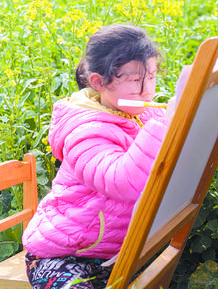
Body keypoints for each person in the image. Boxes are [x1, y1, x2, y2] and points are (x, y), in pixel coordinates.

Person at [22, 24, 178, 289]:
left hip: (114, 254)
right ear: (98, 82)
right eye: (135, 80)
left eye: (151, 77)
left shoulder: (146, 115)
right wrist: (164, 127)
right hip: (62, 255)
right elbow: (121, 182)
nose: (147, 90)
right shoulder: (85, 130)